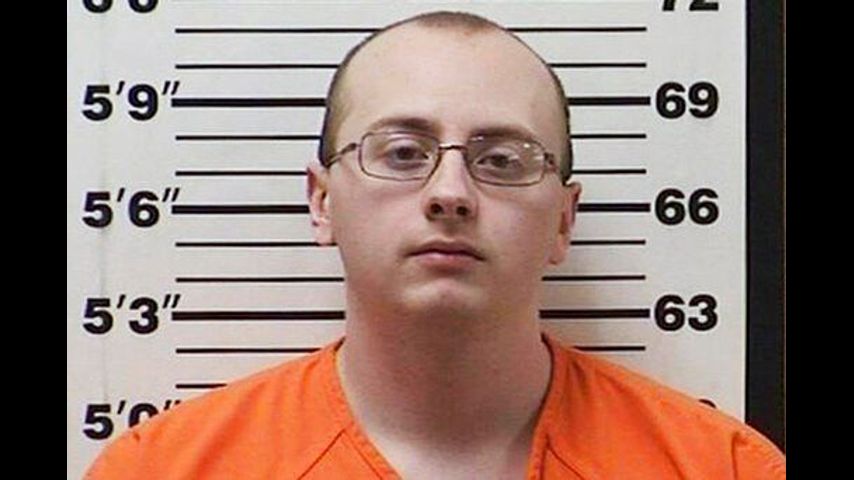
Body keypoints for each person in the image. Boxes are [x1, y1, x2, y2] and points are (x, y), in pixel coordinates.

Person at [85, 10, 786, 479]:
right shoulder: (160, 470)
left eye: (502, 159)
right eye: (401, 152)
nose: (450, 192)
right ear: (322, 202)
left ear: (563, 222)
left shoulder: (723, 468)